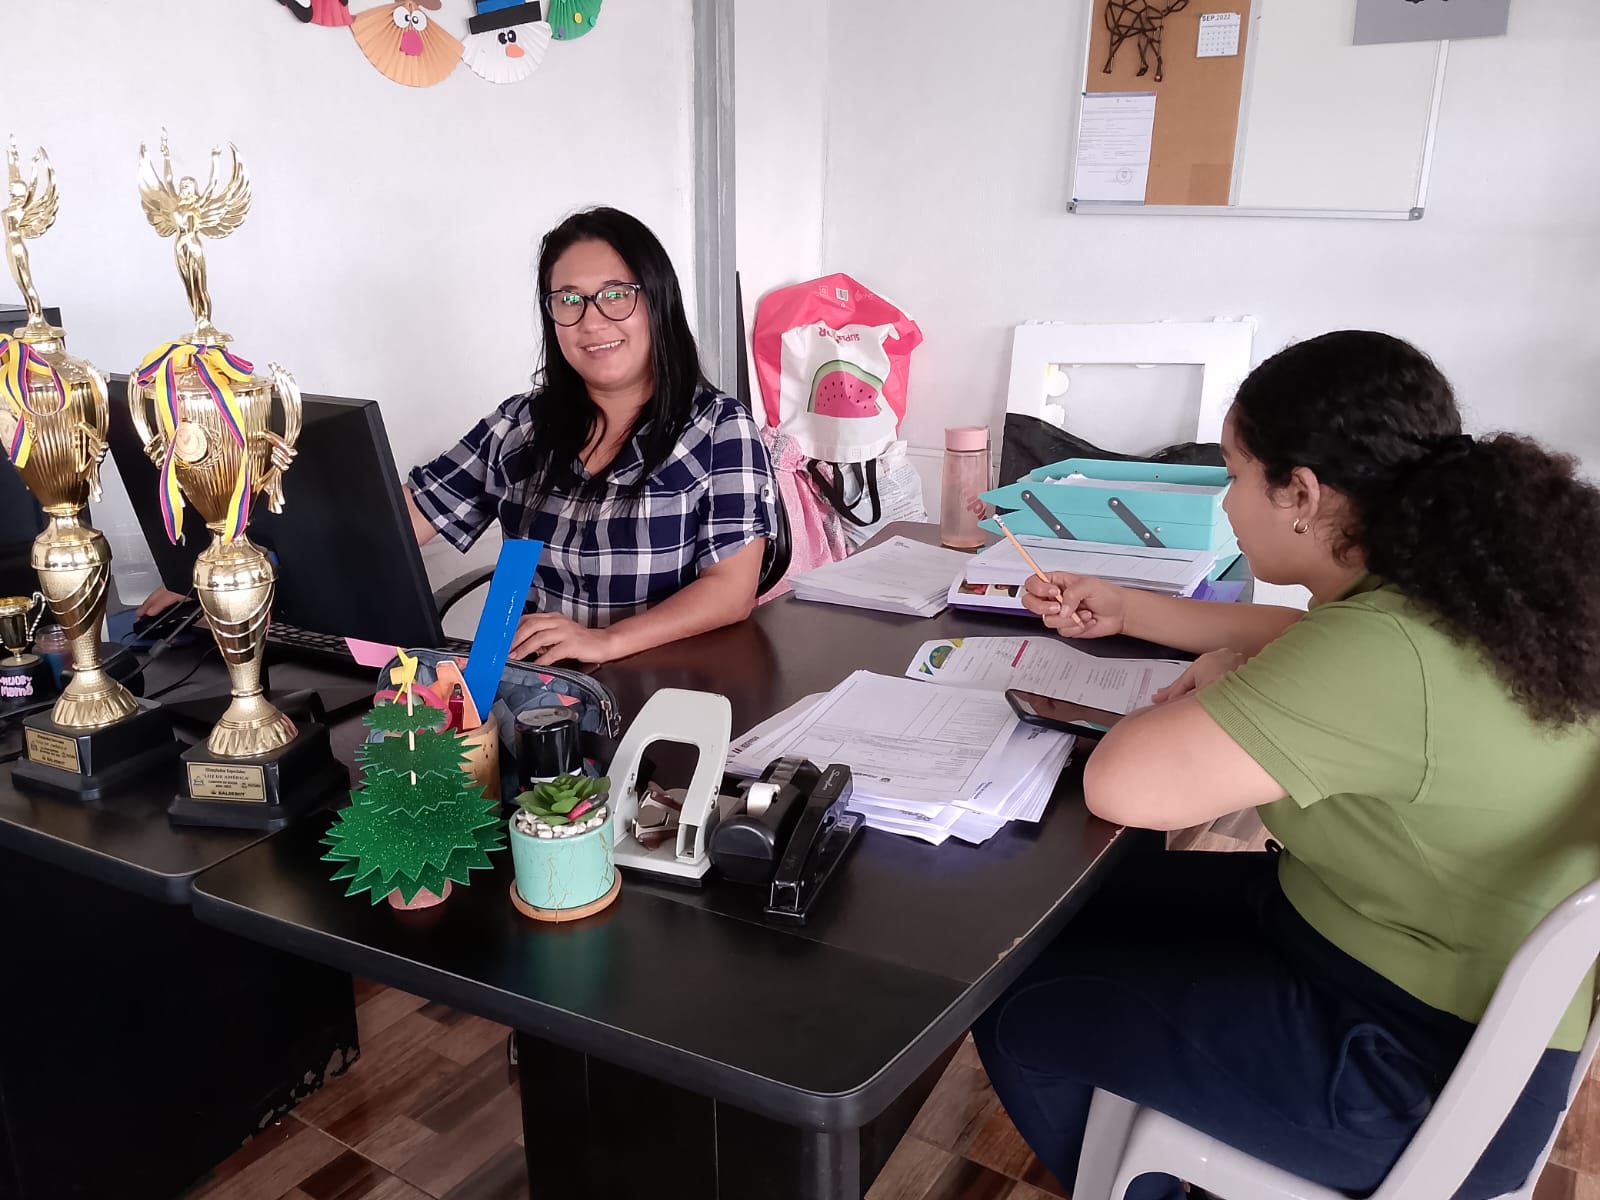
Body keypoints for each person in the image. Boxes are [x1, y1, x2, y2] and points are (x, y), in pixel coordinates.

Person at [973, 331, 1600, 1200]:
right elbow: (1305, 640)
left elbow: (1125, 783)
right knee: (1071, 910)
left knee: (1018, 1002)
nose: (1227, 501)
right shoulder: (1459, 600)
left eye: (1234, 474)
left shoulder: (1389, 653)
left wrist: (1226, 678)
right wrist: (1129, 609)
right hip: (1408, 961)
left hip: (1421, 1070)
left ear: (1301, 493)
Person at [138, 207, 777, 664]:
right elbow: (389, 525)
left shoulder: (719, 429)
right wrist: (223, 571)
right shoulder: (521, 426)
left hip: (659, 678)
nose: (592, 320)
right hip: (532, 680)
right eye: (568, 300)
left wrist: (604, 642)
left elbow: (732, 591)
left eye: (616, 295)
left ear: (657, 302)